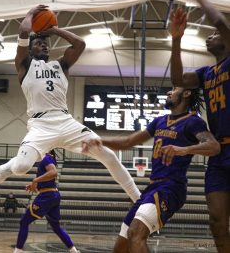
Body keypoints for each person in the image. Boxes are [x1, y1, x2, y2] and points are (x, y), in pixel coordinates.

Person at [0, 5, 140, 203]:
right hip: (41, 125)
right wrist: (31, 13)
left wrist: (53, 29)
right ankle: (10, 166)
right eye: (40, 43)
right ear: (31, 49)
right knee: (21, 168)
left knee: (109, 155)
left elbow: (80, 44)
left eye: (46, 43)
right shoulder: (24, 65)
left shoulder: (61, 65)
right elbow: (24, 31)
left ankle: (138, 199)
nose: (45, 46)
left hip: (66, 122)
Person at [83, 87, 220, 253]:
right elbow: (127, 142)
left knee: (136, 232)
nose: (169, 92)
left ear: (186, 93)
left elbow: (214, 146)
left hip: (171, 187)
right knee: (121, 247)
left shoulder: (193, 121)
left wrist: (183, 149)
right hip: (152, 188)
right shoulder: (160, 120)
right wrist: (99, 140)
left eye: (175, 89)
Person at [169, 0, 230, 252]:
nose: (210, 37)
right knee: (217, 222)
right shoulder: (207, 73)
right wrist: (176, 39)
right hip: (218, 154)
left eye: (213, 36)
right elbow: (177, 78)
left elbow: (222, 25)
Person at [13, 150, 80, 253]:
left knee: (24, 222)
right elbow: (48, 178)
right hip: (53, 195)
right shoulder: (48, 158)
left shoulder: (46, 158)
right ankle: (73, 250)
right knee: (56, 227)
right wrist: (34, 186)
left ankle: (18, 250)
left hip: (47, 196)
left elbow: (53, 173)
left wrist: (35, 181)